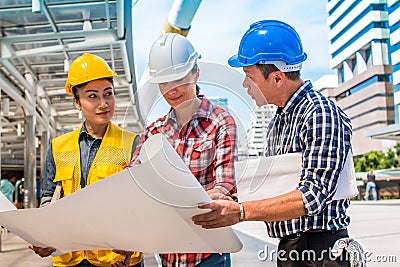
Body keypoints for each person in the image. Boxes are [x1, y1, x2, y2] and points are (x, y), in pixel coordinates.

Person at [192, 20, 354, 266]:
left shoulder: (319, 113)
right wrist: (231, 199)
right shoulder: (278, 121)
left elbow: (312, 195)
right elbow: (275, 185)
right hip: (293, 248)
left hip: (321, 251)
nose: (245, 85)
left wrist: (241, 212)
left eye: (249, 77)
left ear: (277, 78)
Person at [129, 33, 237, 267]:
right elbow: (134, 182)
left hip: (208, 256)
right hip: (168, 256)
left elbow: (224, 185)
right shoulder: (153, 132)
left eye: (179, 79)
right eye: (164, 83)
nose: (172, 90)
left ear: (196, 72)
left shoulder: (220, 122)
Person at [29, 53, 143, 267]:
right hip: (70, 257)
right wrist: (42, 235)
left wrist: (135, 242)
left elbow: (142, 203)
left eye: (108, 94)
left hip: (116, 259)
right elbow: (48, 196)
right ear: (76, 101)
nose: (103, 103)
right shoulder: (58, 147)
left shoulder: (132, 144)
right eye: (92, 96)